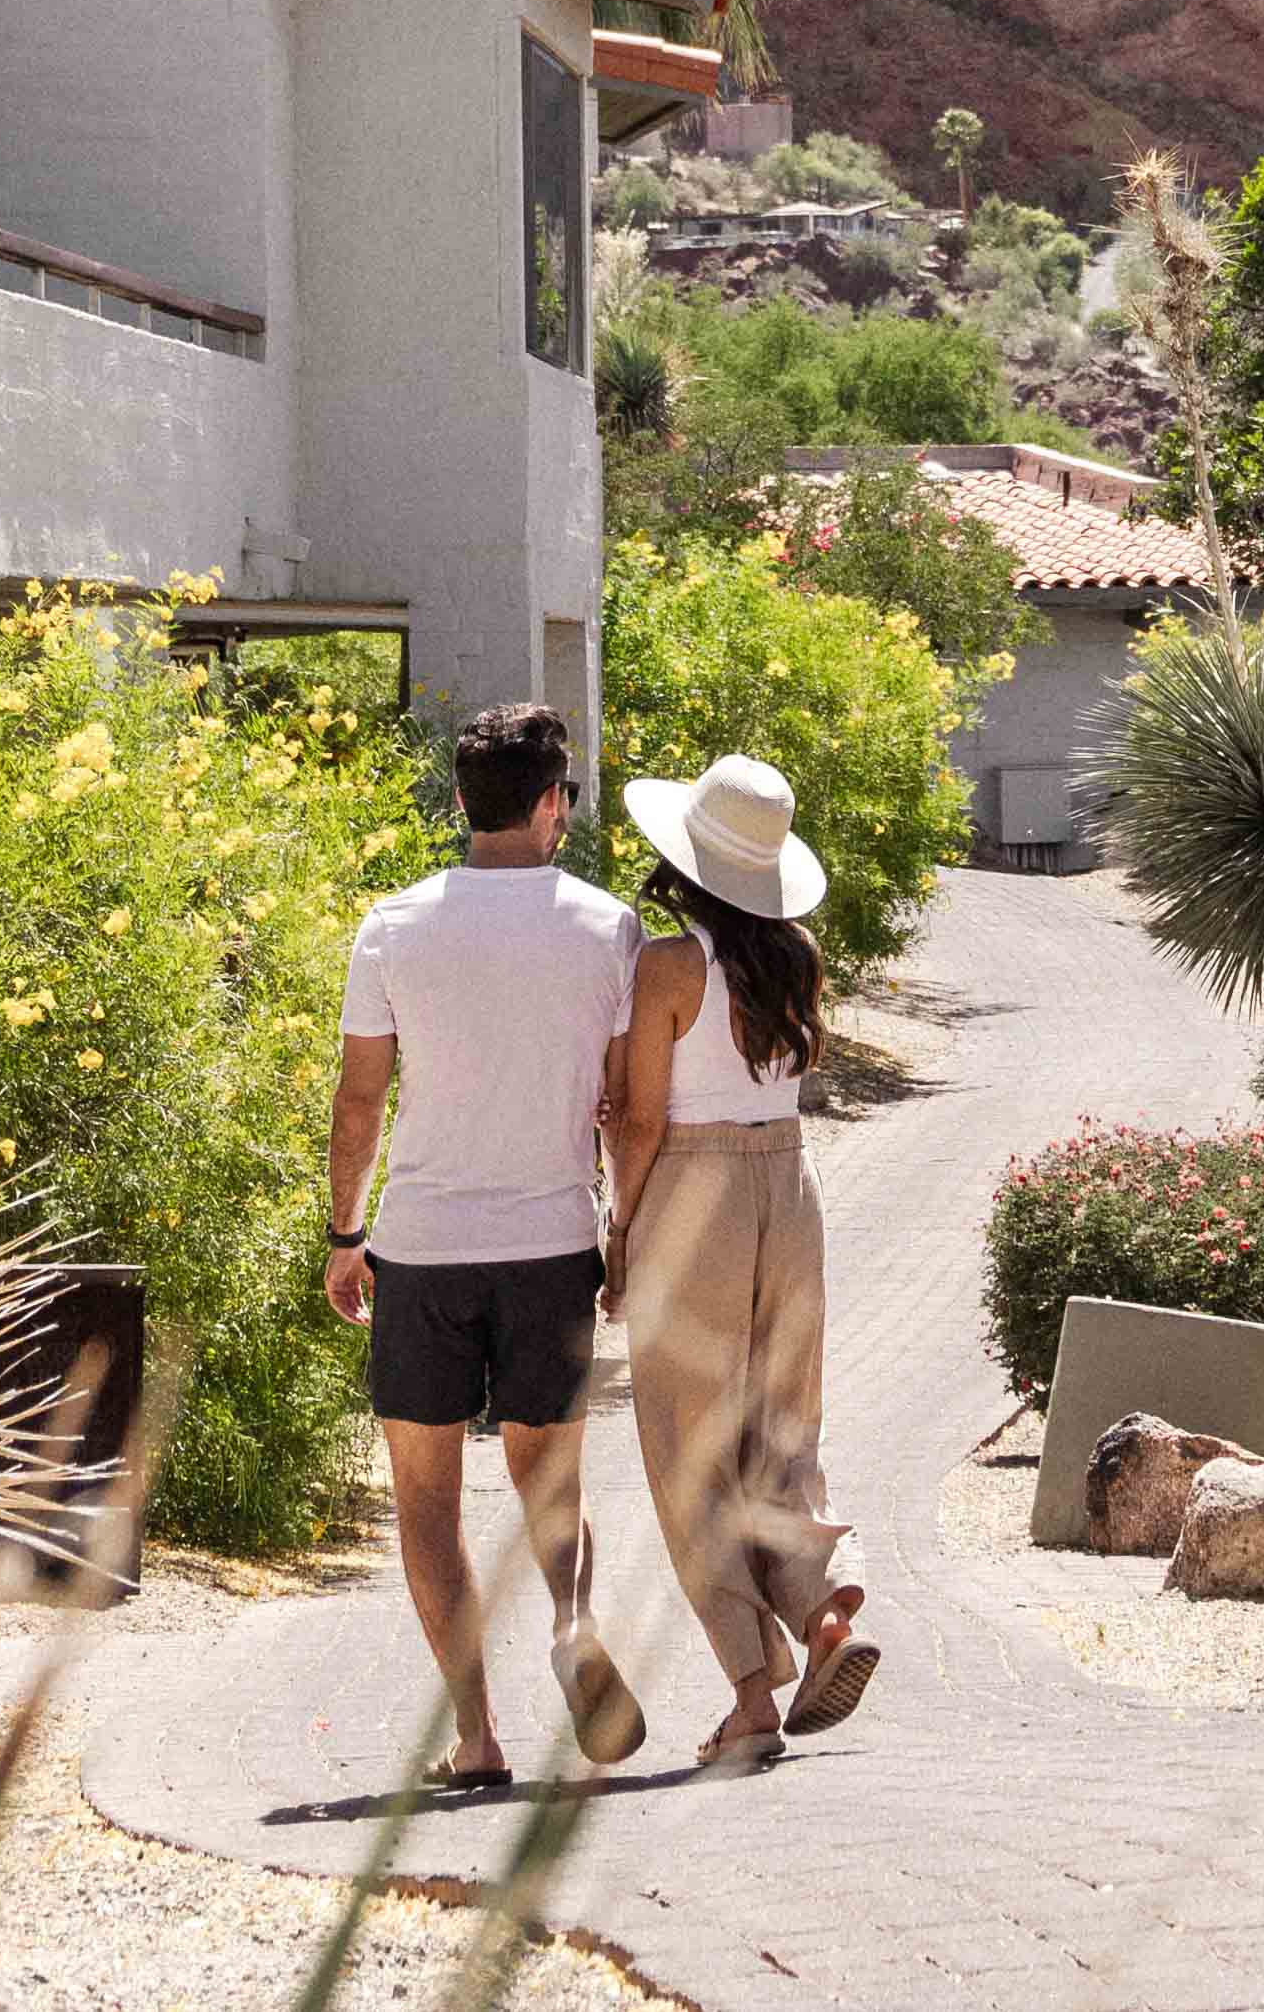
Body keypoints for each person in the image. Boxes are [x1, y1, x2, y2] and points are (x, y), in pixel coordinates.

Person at [325, 700, 650, 1787]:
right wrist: (620, 1231)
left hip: (420, 1246)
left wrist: (343, 1232)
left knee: (424, 1494)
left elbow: (359, 1101)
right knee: (547, 1471)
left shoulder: (393, 925)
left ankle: (474, 1736)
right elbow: (622, 1105)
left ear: (462, 798)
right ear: (554, 800)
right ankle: (569, 1621)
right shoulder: (609, 929)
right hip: (550, 1240)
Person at [600, 753, 872, 1769]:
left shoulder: (668, 965)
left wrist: (619, 1234)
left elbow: (637, 1119)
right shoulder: (796, 956)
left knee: (688, 1449)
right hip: (789, 1189)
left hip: (695, 1193)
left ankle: (753, 1691)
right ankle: (827, 1612)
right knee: (783, 1426)